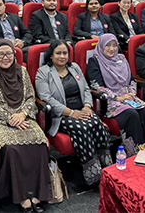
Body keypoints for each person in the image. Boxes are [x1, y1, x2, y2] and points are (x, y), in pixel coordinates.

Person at [0, 39, 52, 211]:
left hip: (24, 116)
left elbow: (30, 96)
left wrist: (22, 115)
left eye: (9, 54)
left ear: (14, 55)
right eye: (1, 54)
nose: (5, 57)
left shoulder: (22, 70)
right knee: (12, 149)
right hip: (1, 120)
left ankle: (36, 193)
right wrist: (10, 118)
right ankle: (21, 196)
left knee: (40, 144)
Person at [36, 40, 112, 185]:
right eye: (58, 53)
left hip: (82, 110)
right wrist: (71, 113)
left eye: (65, 53)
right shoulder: (44, 72)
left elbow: (85, 89)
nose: (62, 56)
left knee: (98, 124)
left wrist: (88, 106)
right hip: (60, 115)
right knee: (82, 127)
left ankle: (107, 165)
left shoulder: (75, 67)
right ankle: (93, 173)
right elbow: (46, 98)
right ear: (51, 56)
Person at [86, 34, 145, 148]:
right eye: (108, 45)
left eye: (114, 45)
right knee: (131, 114)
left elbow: (132, 79)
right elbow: (96, 86)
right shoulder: (94, 61)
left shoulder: (121, 58)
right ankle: (134, 150)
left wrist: (131, 92)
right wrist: (118, 97)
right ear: (101, 46)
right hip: (109, 100)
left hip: (127, 96)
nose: (112, 49)